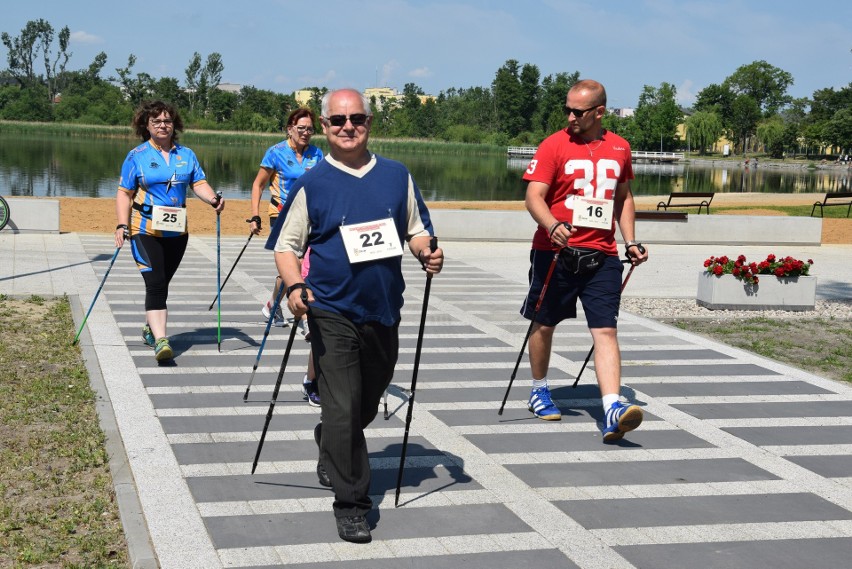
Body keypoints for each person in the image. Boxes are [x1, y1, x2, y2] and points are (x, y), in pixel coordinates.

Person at [273, 88, 443, 543]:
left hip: (384, 311)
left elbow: (417, 230)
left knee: (362, 406)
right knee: (345, 407)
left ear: (369, 122)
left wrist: (428, 251)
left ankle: (330, 438)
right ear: (325, 127)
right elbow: (287, 246)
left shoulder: (396, 175)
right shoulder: (312, 183)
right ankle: (351, 503)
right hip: (331, 309)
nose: (348, 127)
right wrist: (294, 286)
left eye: (357, 119)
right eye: (338, 121)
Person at [521, 79, 648, 442]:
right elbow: (534, 196)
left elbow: (623, 198)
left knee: (606, 330)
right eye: (568, 109)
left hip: (603, 254)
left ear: (599, 112)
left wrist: (631, 241)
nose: (571, 116)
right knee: (543, 324)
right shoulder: (553, 144)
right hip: (555, 252)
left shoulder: (619, 147)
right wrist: (551, 225)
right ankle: (539, 389)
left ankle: (612, 407)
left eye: (578, 111)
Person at [115, 100, 225, 361]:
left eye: (167, 121)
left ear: (174, 124)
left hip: (177, 232)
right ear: (147, 125)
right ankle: (162, 341)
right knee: (154, 284)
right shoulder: (136, 156)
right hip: (144, 230)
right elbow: (124, 193)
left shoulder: (186, 155)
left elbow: (198, 183)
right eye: (156, 121)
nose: (162, 125)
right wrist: (122, 224)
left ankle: (150, 328)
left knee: (162, 283)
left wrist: (212, 199)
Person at [250, 108, 324, 328]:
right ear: (290, 129)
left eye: (310, 129)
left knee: (301, 265)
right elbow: (258, 185)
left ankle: (274, 304)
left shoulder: (317, 154)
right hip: (281, 214)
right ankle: (303, 315)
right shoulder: (276, 152)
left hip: (308, 217)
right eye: (301, 128)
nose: (305, 132)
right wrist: (255, 215)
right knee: (296, 262)